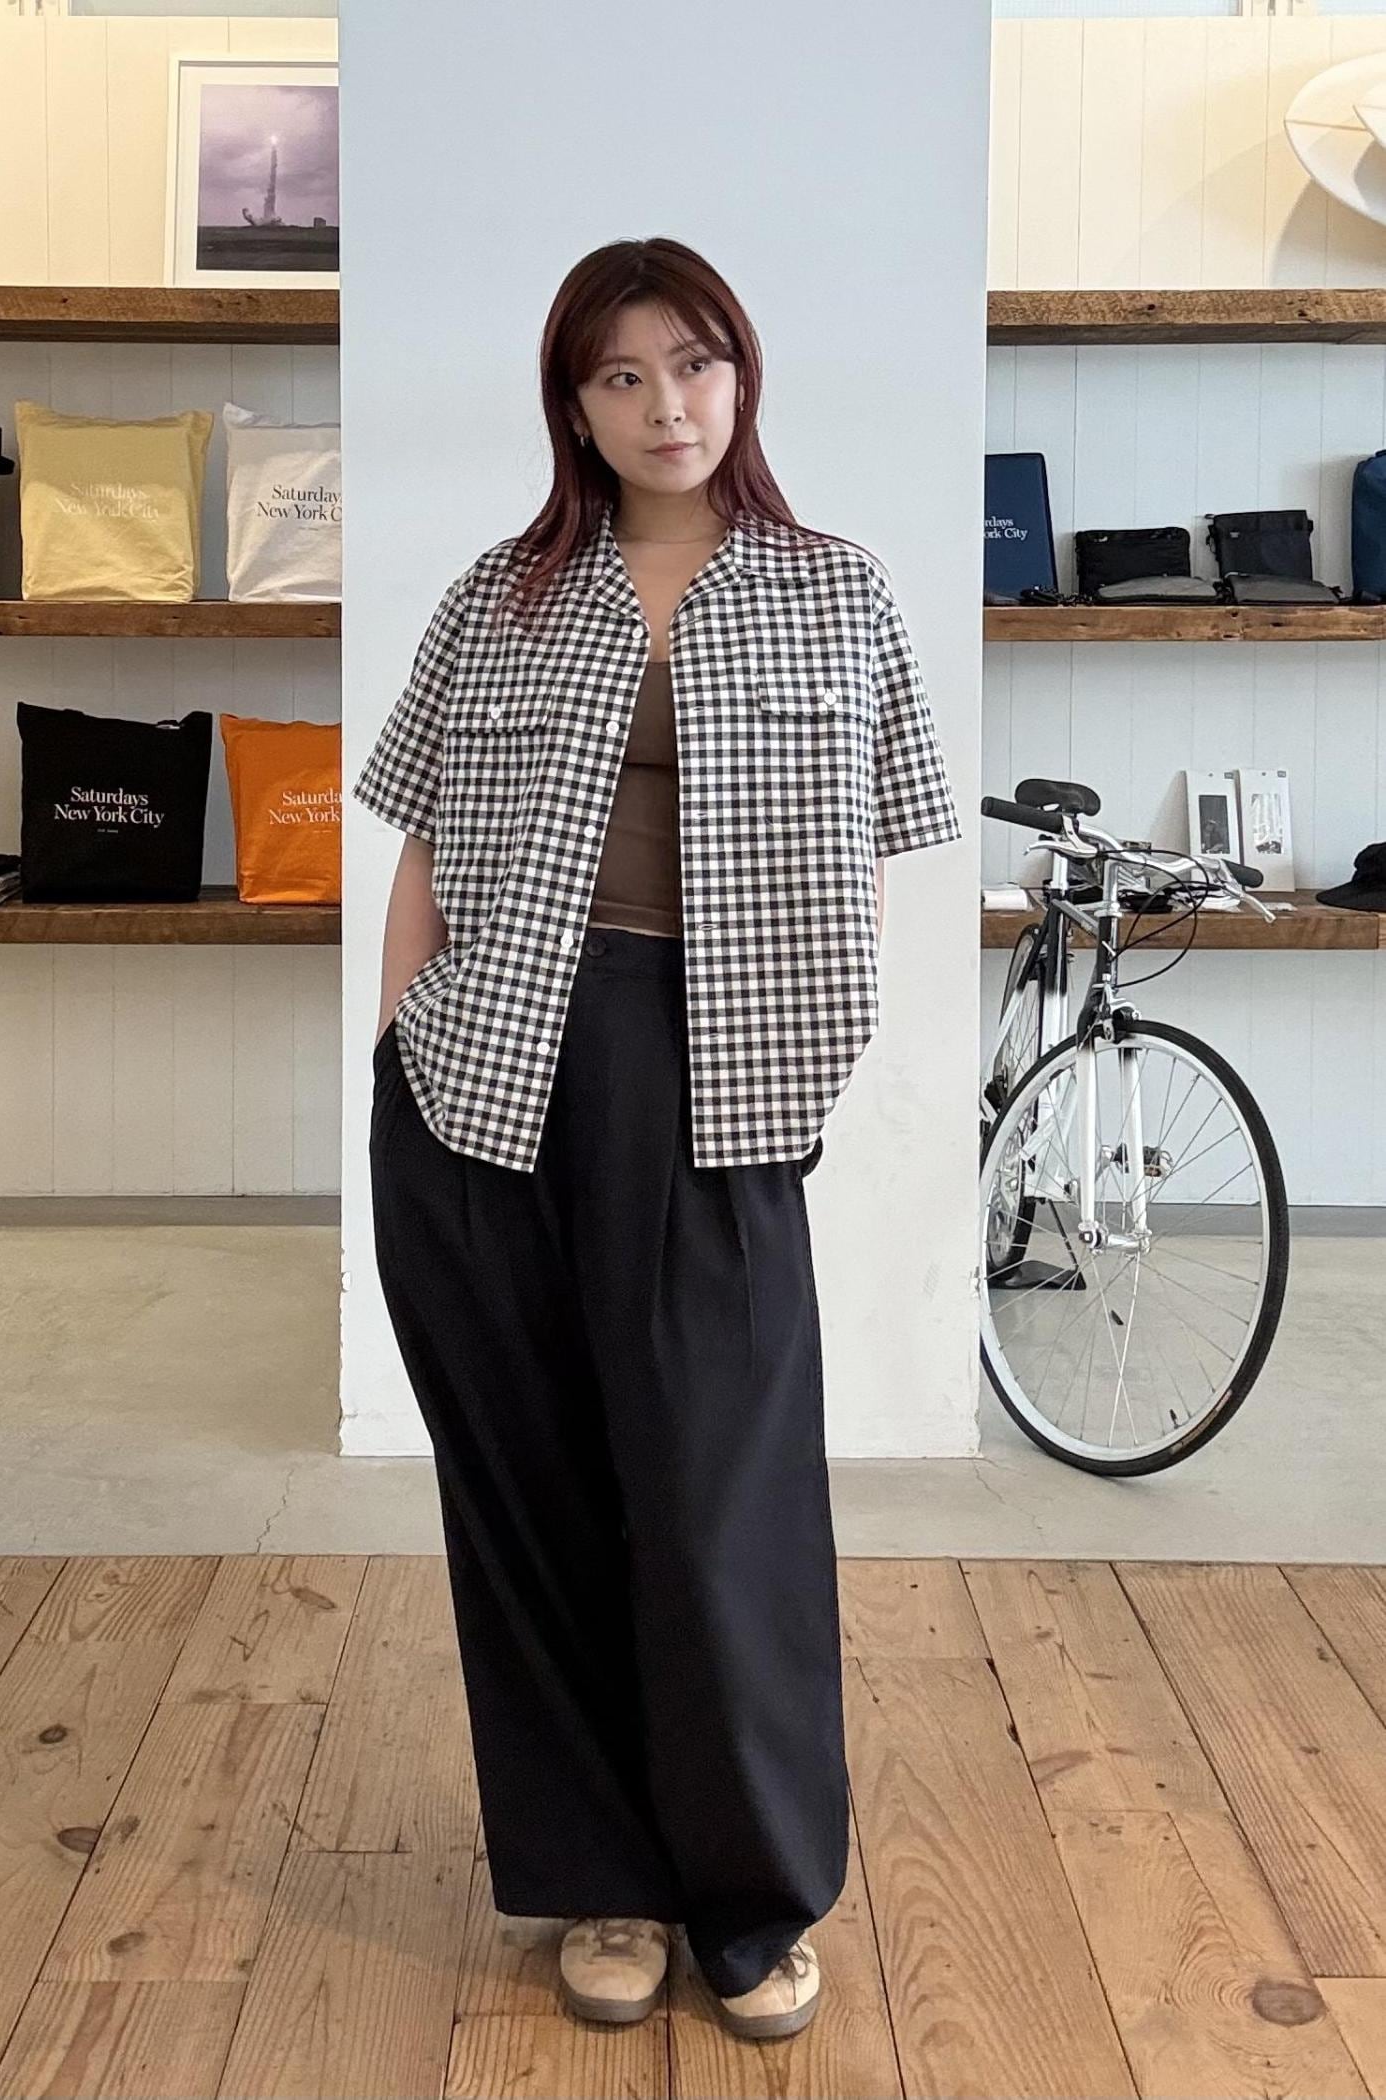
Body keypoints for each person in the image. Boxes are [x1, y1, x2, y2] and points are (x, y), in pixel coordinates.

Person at [353, 236, 961, 2043]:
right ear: (574, 405)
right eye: (620, 376)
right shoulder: (501, 596)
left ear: (742, 375)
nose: (665, 405)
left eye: (693, 363)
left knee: (720, 1500)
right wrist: (398, 1043)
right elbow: (424, 840)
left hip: (721, 1081)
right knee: (535, 1486)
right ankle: (602, 1877)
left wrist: (818, 1048)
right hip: (492, 1072)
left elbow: (882, 844)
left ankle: (749, 1896)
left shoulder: (837, 593)